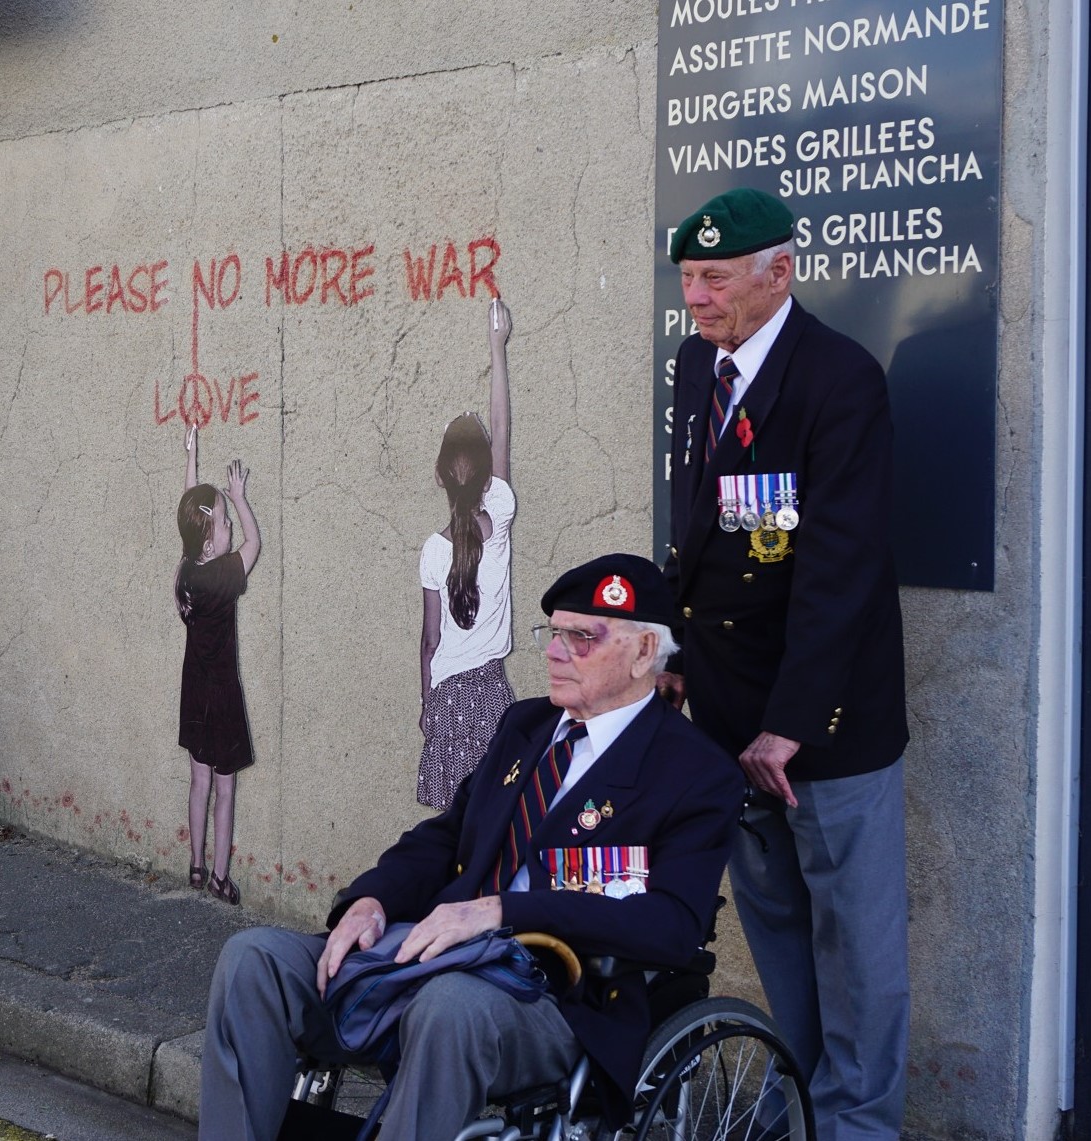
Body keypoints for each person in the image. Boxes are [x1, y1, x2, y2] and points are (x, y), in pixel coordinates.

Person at [200, 554, 742, 1141]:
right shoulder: (526, 726)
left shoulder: (692, 771)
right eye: (553, 634)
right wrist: (372, 899)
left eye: (581, 638)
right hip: (431, 955)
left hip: (556, 999)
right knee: (255, 960)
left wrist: (501, 911)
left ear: (643, 654)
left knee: (449, 1005)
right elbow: (447, 836)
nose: (556, 653)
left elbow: (671, 926)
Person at [658, 187, 911, 1141]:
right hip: (726, 717)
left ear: (779, 274)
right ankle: (795, 1099)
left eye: (715, 278)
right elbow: (698, 526)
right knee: (780, 938)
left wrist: (791, 720)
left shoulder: (837, 381)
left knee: (858, 949)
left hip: (823, 730)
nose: (697, 297)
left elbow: (839, 569)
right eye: (687, 277)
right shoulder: (696, 366)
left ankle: (856, 1125)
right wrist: (671, 648)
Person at [417, 297, 517, 810]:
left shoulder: (433, 550)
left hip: (447, 695)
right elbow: (501, 433)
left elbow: (431, 639)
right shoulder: (497, 518)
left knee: (453, 824)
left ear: (438, 476)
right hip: (490, 693)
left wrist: (427, 701)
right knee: (495, 818)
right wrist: (496, 349)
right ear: (485, 477)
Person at [176, 423, 262, 905]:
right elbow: (254, 542)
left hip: (194, 690)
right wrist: (239, 497)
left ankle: (194, 865)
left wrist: (191, 460)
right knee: (224, 789)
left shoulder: (188, 570)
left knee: (198, 780)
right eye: (223, 523)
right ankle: (220, 878)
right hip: (222, 695)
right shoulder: (226, 574)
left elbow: (191, 515)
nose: (229, 526)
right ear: (211, 542)